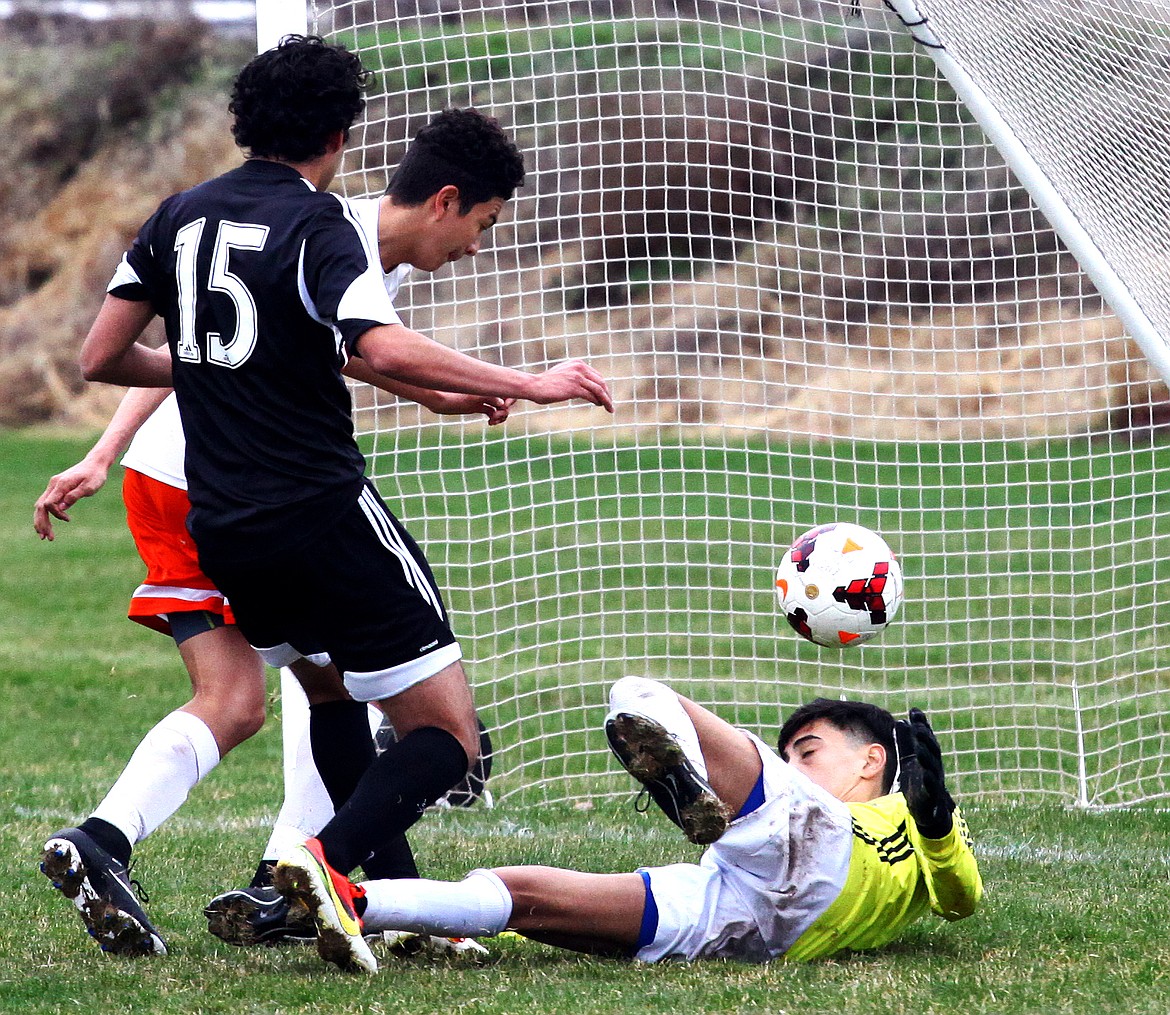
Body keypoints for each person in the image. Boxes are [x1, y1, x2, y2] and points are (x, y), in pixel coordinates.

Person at [49, 34, 613, 969]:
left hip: (227, 524)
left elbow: (101, 358)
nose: (477, 243)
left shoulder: (176, 215)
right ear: (342, 135)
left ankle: (381, 897)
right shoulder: (321, 227)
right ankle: (321, 865)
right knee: (448, 739)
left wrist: (202, 366)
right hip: (315, 504)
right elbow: (376, 345)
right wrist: (535, 380)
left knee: (327, 690)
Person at [275, 676, 982, 969]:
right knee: (524, 898)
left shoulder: (910, 812)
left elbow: (961, 901)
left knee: (637, 693)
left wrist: (938, 821)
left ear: (872, 759)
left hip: (810, 847)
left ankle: (692, 785)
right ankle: (353, 902)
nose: (797, 759)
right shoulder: (845, 805)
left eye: (810, 748)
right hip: (744, 917)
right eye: (791, 752)